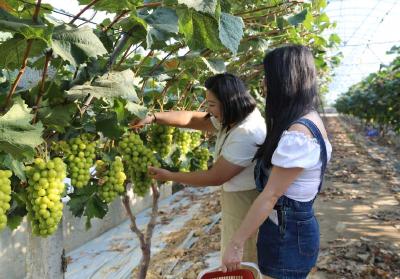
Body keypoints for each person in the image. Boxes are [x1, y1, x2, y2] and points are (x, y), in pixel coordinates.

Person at [221, 45, 333, 279]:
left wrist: (236, 243)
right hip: (292, 231)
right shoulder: (309, 119)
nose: (264, 83)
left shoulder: (299, 133)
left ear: (284, 80)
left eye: (268, 76)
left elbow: (271, 195)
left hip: (288, 237)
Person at [131, 73, 266, 263]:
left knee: (241, 261)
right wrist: (154, 118)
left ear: (228, 102)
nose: (208, 110)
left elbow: (215, 177)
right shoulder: (236, 115)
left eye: (212, 104)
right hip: (236, 196)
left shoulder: (247, 132)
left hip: (244, 201)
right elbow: (194, 119)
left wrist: (171, 175)